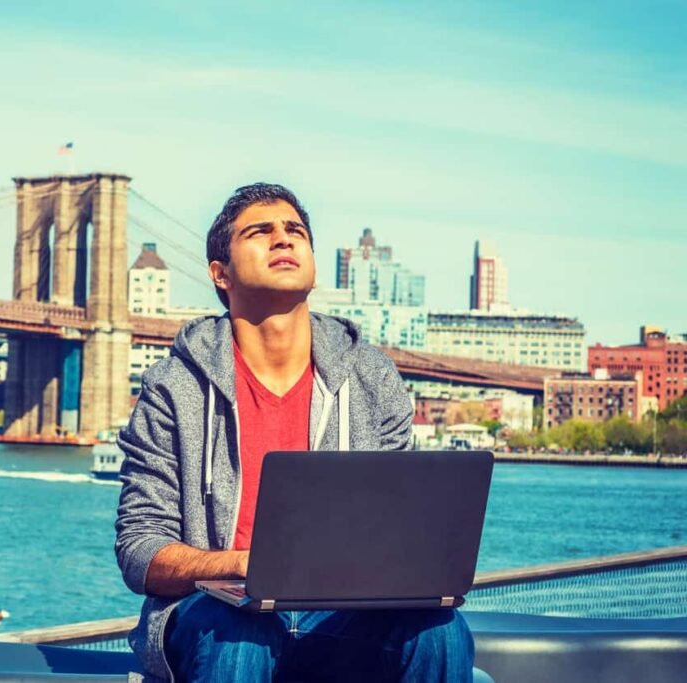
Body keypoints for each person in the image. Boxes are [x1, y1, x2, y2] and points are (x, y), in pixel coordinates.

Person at [115, 183, 474, 682]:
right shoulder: (172, 388)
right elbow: (140, 552)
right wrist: (241, 565)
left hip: (343, 618)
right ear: (220, 274)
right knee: (242, 630)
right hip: (216, 614)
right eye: (260, 232)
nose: (283, 239)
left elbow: (401, 538)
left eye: (295, 231)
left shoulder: (372, 378)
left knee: (439, 630)